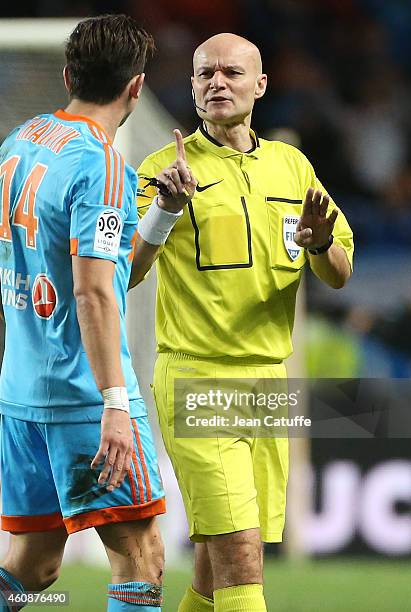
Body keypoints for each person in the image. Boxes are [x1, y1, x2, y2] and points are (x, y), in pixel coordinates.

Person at [133, 33, 354, 611]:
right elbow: (122, 272)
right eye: (205, 73)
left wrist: (321, 244)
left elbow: (340, 271)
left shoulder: (292, 165)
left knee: (212, 568)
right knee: (241, 557)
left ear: (259, 86)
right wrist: (164, 210)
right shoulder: (162, 170)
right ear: (192, 87)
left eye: (232, 72)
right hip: (197, 378)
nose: (217, 82)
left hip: (268, 382)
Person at [0, 15, 165, 612]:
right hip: (83, 395)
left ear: (67, 74)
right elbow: (95, 293)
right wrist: (114, 405)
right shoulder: (102, 165)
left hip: (20, 388)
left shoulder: (21, 139)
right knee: (140, 559)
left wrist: (161, 215)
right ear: (137, 87)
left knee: (34, 566)